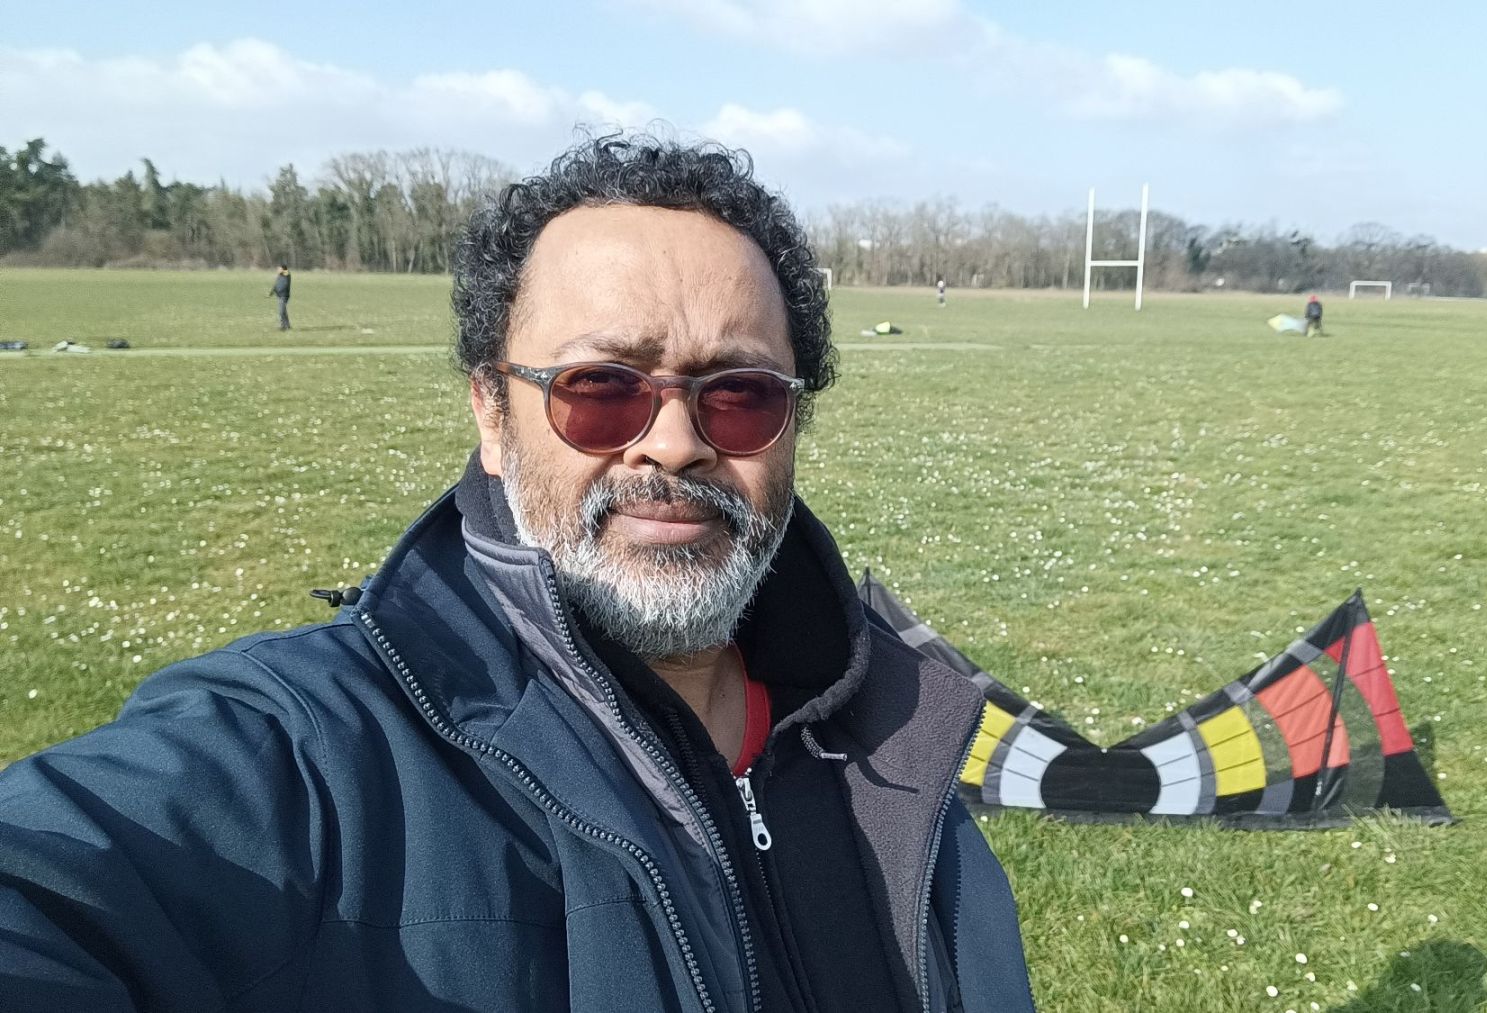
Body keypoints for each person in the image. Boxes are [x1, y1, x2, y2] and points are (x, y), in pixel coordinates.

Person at [0, 135, 1036, 1013]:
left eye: (740, 393)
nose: (675, 442)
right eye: (602, 387)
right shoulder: (311, 750)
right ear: (492, 416)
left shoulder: (904, 728)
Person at [269, 263, 292, 331]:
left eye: (279, 268)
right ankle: (287, 325)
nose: (277, 270)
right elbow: (275, 285)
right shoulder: (279, 275)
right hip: (279, 295)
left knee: (281, 311)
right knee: (283, 311)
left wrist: (283, 270)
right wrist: (271, 293)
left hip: (284, 296)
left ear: (283, 269)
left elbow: (287, 272)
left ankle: (283, 326)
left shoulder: (287, 275)